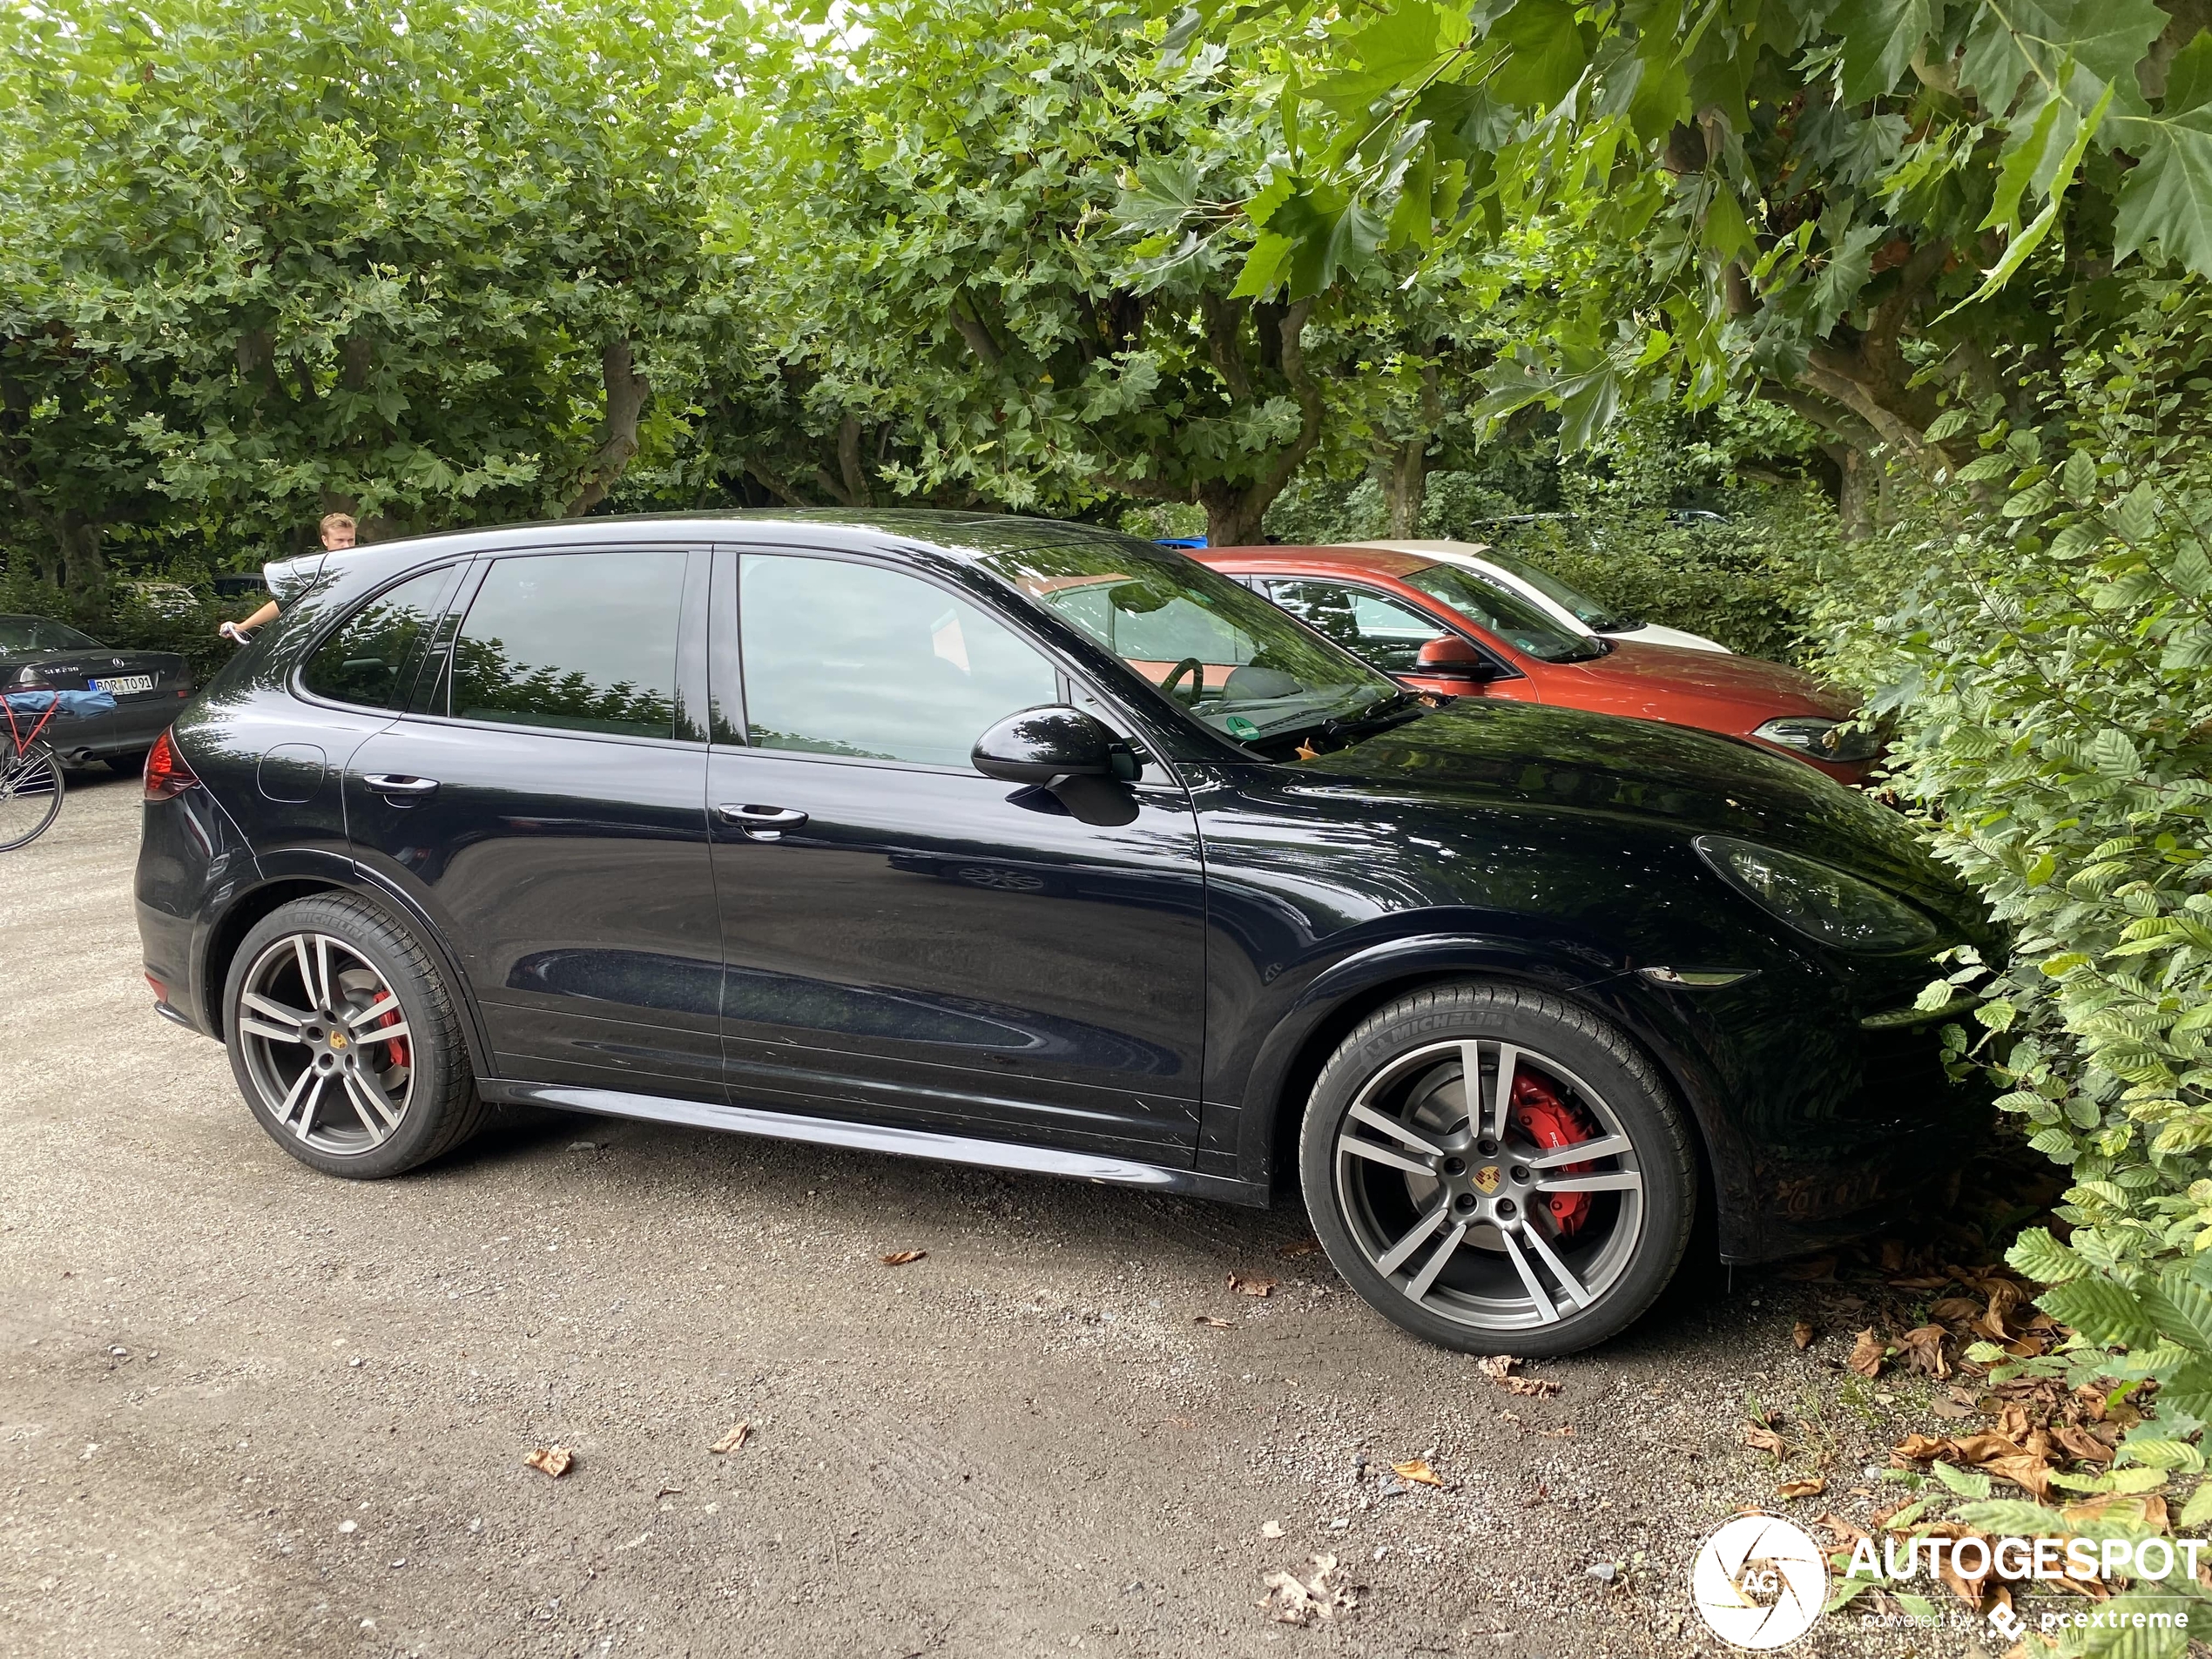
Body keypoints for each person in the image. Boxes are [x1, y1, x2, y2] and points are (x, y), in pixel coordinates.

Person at [221, 513, 356, 643]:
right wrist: (242, 627)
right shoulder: (315, 571)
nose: (347, 546)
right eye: (340, 540)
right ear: (325, 540)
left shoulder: (364, 565)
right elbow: (284, 601)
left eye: (351, 540)